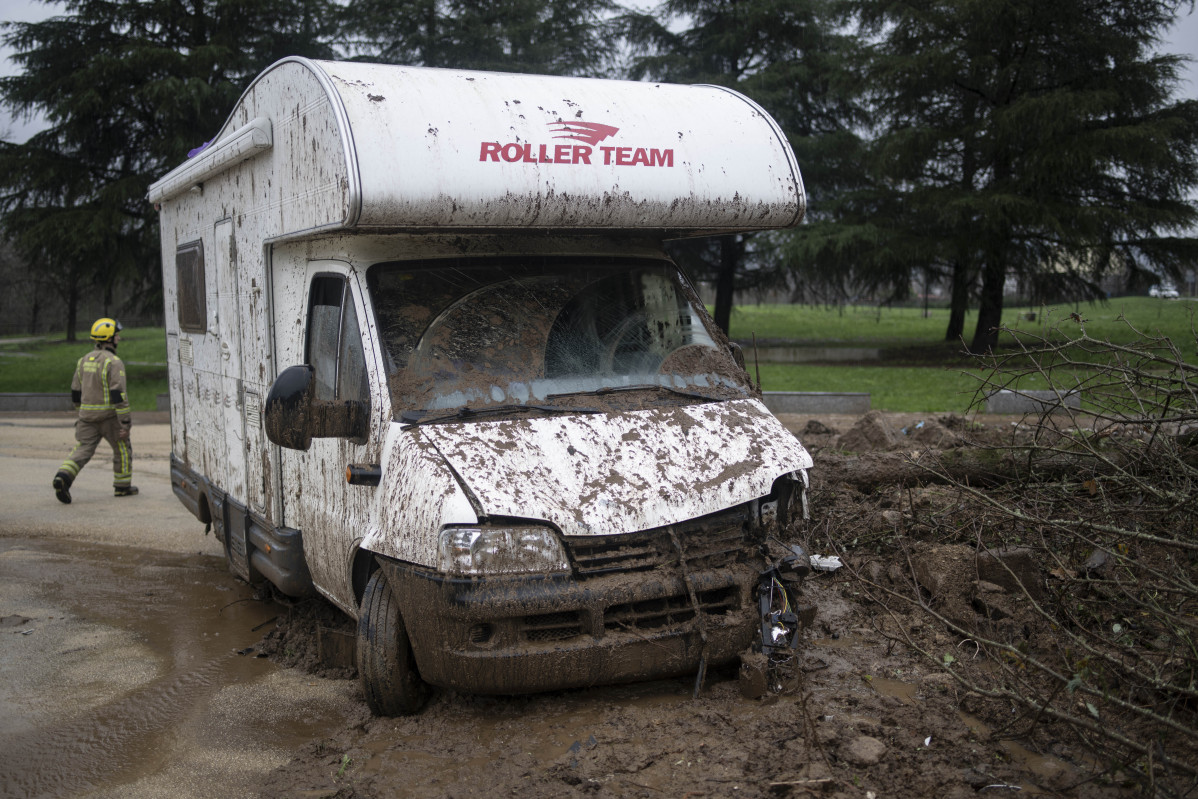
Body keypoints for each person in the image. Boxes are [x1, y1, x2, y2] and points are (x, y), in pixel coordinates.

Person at [52, 318, 137, 503]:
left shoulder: (83, 360)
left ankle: (63, 476)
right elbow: (118, 394)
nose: (119, 339)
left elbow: (75, 391)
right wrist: (125, 423)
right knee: (122, 448)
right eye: (117, 336)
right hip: (109, 418)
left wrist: (81, 412)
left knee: (82, 449)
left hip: (86, 418)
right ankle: (122, 487)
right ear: (109, 339)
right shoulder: (113, 362)